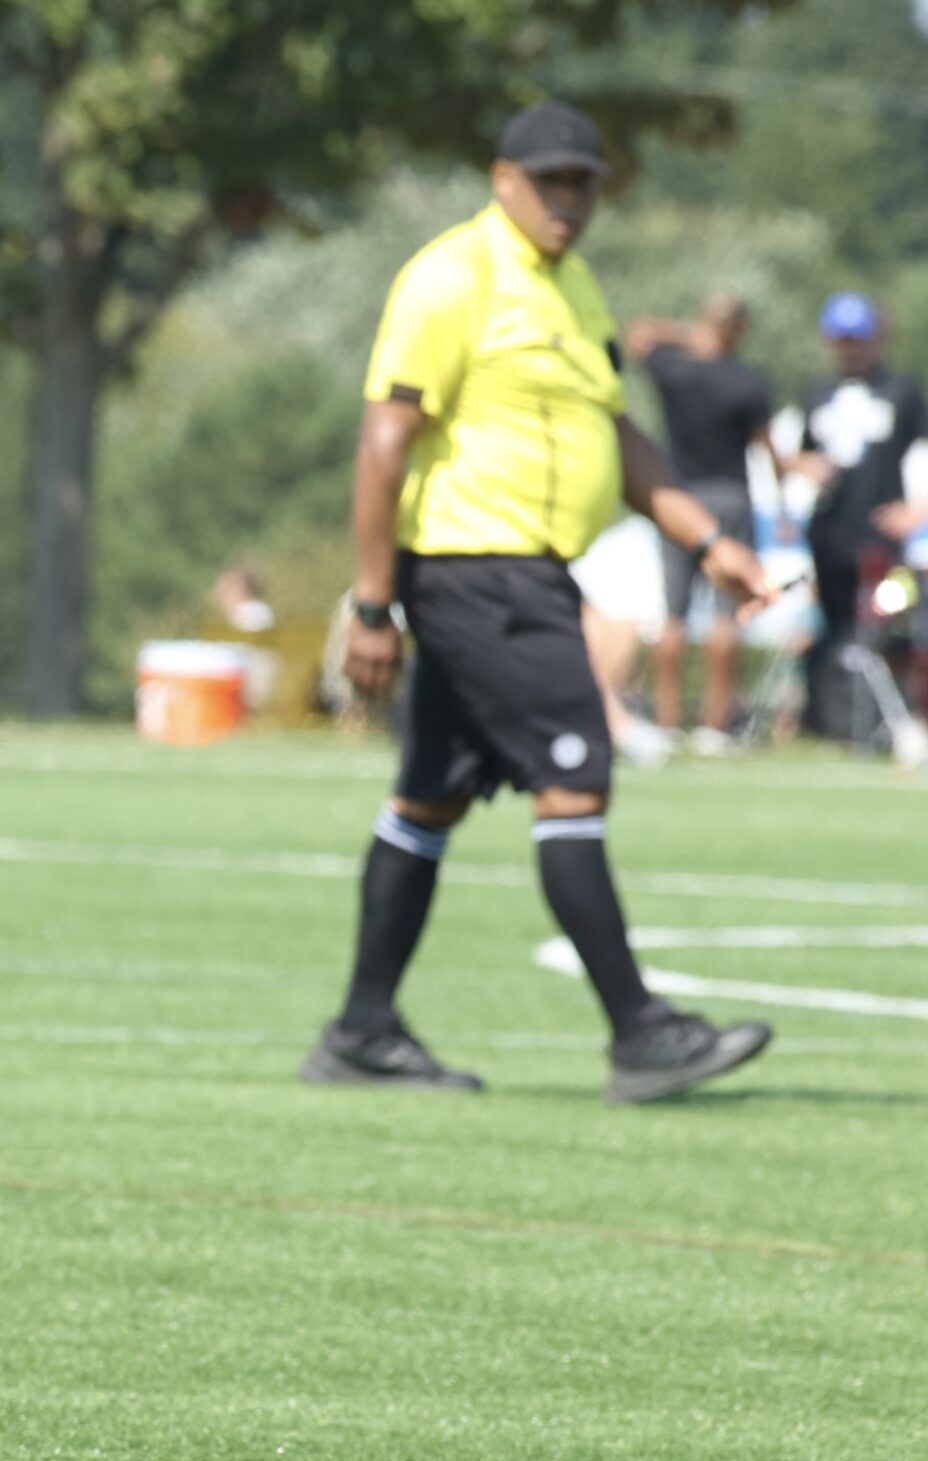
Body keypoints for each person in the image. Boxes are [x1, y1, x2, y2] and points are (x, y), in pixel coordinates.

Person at [303, 100, 775, 1106]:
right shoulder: (450, 277)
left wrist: (707, 538)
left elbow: (619, 437)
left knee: (429, 798)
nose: (567, 199)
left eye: (582, 182)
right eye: (549, 180)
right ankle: (641, 1034)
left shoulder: (575, 291)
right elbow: (384, 441)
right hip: (480, 575)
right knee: (574, 780)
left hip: (527, 574)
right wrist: (374, 607)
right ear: (502, 179)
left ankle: (361, 1031)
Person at [626, 296, 787, 751]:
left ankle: (666, 723)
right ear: (739, 331)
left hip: (677, 497)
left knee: (672, 615)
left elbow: (638, 334)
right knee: (726, 615)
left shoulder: (676, 372)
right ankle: (714, 727)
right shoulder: (746, 381)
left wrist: (683, 334)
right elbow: (769, 453)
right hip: (730, 497)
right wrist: (784, 503)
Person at [789, 292, 928, 740]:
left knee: (889, 624)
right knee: (835, 630)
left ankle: (895, 721)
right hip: (829, 533)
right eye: (842, 339)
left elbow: (922, 450)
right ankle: (833, 721)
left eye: (857, 338)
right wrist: (802, 468)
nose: (850, 348)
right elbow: (798, 455)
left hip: (881, 536)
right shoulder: (818, 392)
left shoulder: (902, 390)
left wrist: (917, 508)